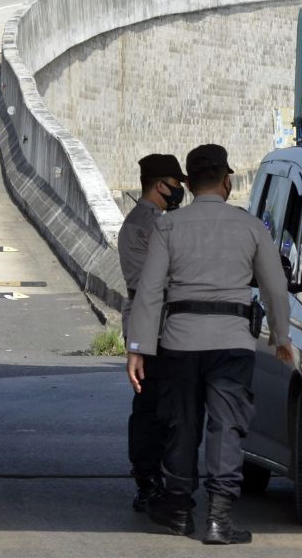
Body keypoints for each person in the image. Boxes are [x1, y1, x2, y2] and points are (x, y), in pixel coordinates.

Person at [127, 144, 291, 545]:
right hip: (232, 343)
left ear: (190, 180)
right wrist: (283, 338)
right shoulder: (251, 226)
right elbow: (275, 288)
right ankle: (219, 520)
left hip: (179, 343)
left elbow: (149, 291)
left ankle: (180, 511)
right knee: (226, 427)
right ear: (226, 180)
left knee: (180, 424)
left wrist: (139, 347)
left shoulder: (168, 226)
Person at [118, 153, 187, 512]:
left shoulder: (162, 221)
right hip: (149, 323)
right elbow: (149, 282)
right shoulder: (141, 225)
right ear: (160, 184)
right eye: (176, 185)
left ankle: (162, 474)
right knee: (148, 408)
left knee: (168, 407)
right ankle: (146, 479)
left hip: (167, 323)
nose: (180, 191)